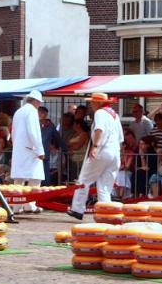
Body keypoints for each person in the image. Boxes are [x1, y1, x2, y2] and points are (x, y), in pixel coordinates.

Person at [68, 92, 122, 220]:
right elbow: (120, 137)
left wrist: (95, 146)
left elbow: (99, 129)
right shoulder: (115, 115)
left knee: (84, 179)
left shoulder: (100, 113)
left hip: (102, 150)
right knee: (105, 185)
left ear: (98, 103)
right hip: (115, 152)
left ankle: (77, 209)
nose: (91, 104)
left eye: (92, 102)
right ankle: (106, 212)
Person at [9, 91, 45, 212]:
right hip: (30, 149)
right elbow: (33, 132)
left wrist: (16, 146)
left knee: (18, 179)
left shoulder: (18, 111)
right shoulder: (32, 111)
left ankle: (16, 206)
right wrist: (40, 150)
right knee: (35, 177)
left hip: (20, 149)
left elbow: (13, 131)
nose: (39, 105)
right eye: (39, 102)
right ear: (35, 101)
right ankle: (30, 204)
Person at [38, 106, 64, 185]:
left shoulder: (50, 125)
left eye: (45, 114)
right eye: (42, 113)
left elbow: (57, 138)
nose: (44, 116)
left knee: (45, 178)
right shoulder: (32, 123)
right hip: (34, 155)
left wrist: (65, 148)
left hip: (45, 154)